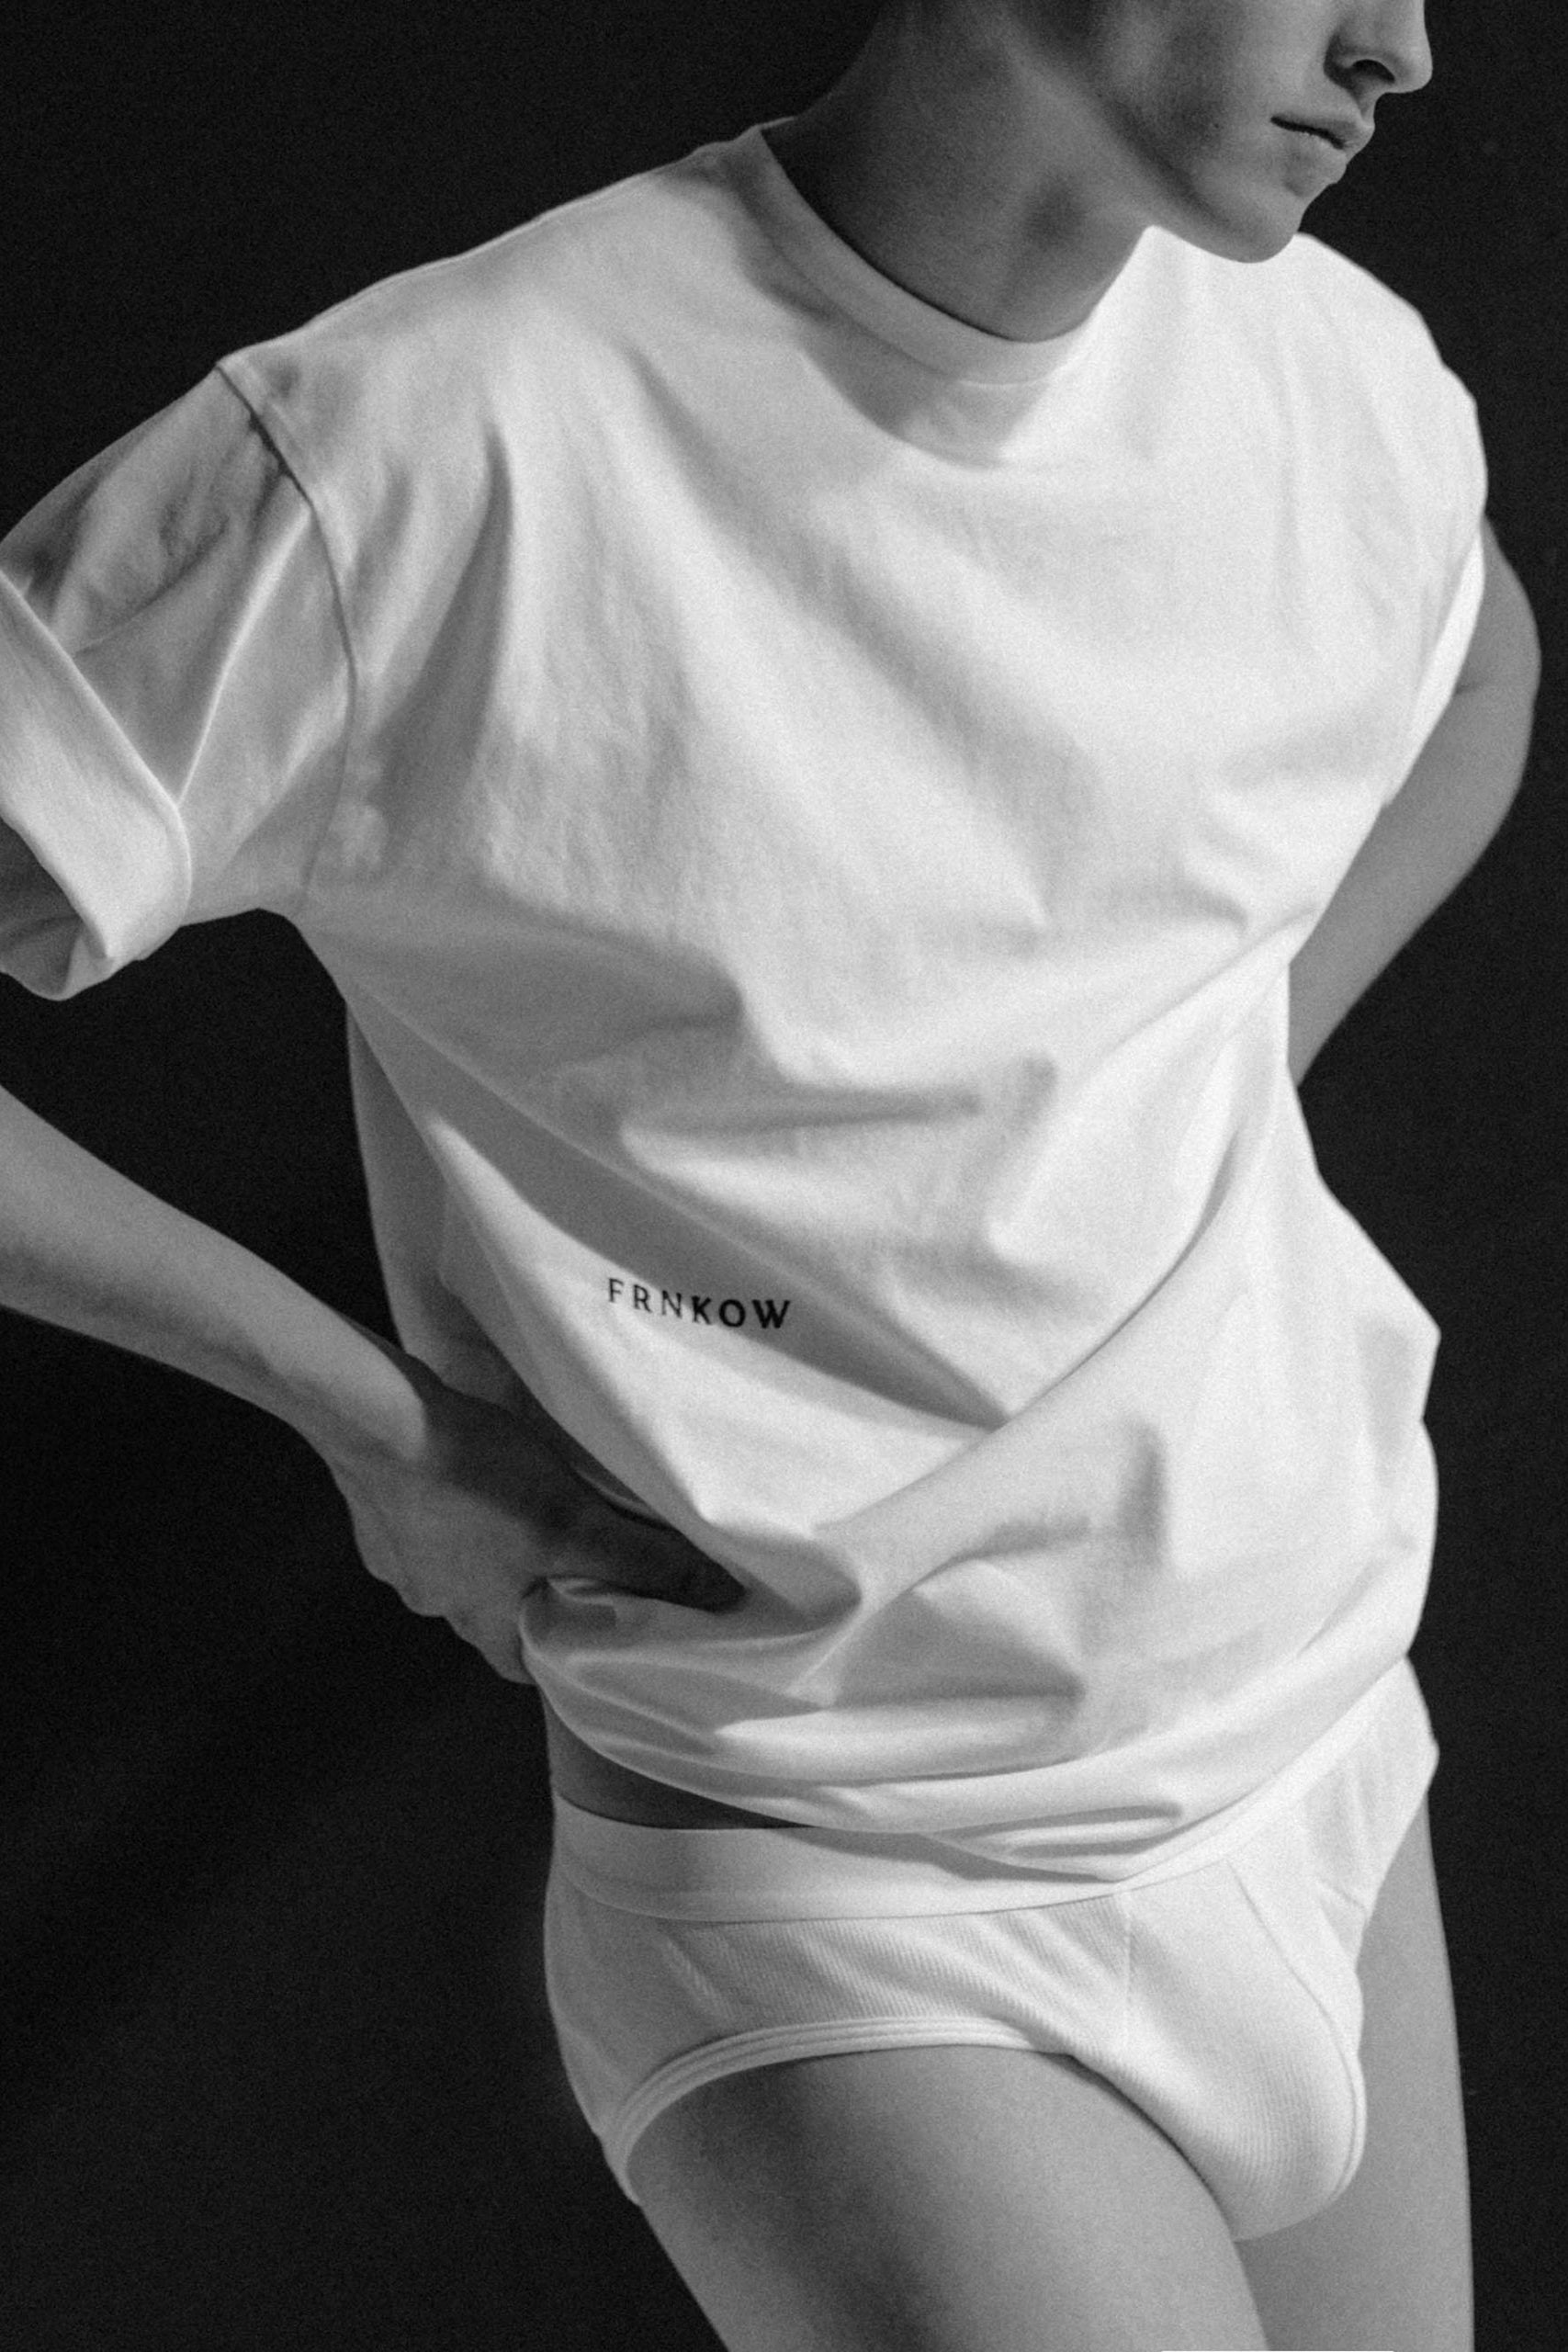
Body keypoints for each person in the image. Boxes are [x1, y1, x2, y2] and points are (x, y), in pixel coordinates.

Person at [0, 1, 1541, 2346]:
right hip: (854, 1880)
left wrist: (1181, 1099)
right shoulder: (434, 442)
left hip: (1312, 1737)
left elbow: (1472, 667)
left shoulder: (1334, 373)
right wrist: (376, 1423)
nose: (1400, 45)